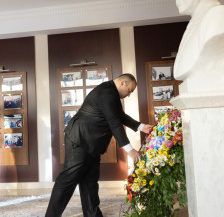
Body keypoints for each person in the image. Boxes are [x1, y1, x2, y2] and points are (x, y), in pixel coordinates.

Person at [45, 74, 153, 217]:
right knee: (68, 179)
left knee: (90, 181)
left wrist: (141, 126)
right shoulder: (107, 93)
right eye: (130, 90)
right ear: (122, 83)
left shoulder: (111, 93)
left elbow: (118, 115)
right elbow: (115, 123)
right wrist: (130, 150)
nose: (129, 95)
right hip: (80, 139)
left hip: (92, 143)